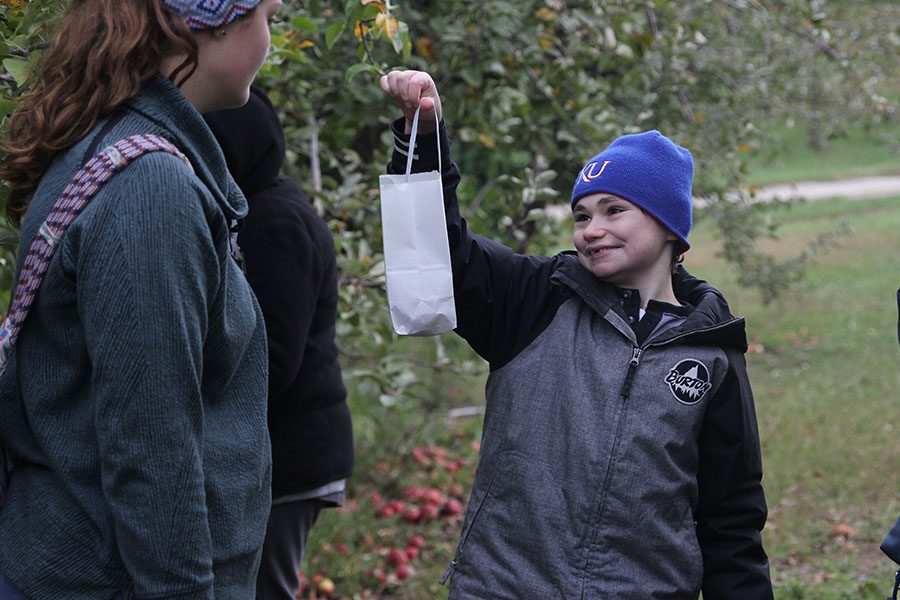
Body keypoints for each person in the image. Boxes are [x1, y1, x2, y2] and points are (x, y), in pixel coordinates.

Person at [380, 70, 774, 599]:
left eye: (615, 210)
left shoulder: (711, 351)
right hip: (503, 587)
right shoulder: (536, 299)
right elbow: (441, 251)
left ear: (670, 228)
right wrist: (424, 139)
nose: (591, 229)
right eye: (581, 214)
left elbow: (731, 517)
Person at [0, 1, 283, 598]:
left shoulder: (112, 145)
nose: (269, 41)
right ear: (207, 23)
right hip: (110, 581)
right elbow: (151, 452)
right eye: (268, 17)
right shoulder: (151, 192)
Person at [205, 88, 355, 600]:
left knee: (262, 588)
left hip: (288, 456)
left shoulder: (273, 222)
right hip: (281, 449)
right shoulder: (250, 211)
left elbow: (272, 355)